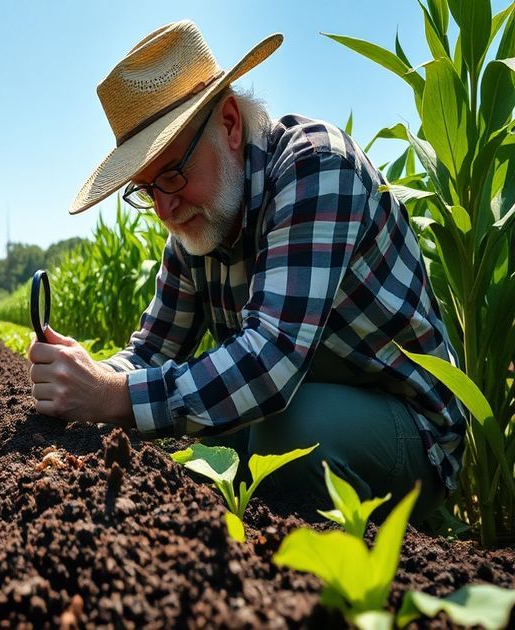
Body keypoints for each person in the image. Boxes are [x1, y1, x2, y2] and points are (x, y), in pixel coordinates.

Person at [26, 19, 465, 522]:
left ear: (230, 124)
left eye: (173, 174)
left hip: (411, 432)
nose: (165, 209)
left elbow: (270, 361)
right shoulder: (197, 224)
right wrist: (91, 374)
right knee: (191, 458)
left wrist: (111, 396)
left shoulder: (317, 167)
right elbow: (153, 349)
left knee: (290, 435)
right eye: (146, 190)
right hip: (294, 403)